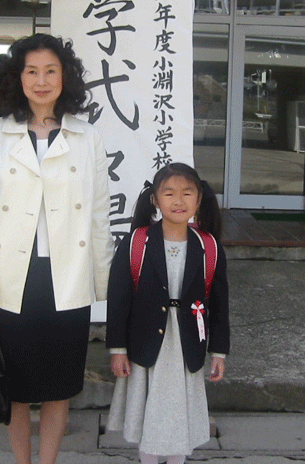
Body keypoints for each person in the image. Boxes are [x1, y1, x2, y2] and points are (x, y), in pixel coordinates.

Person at [0, 33, 114, 464]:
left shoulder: (86, 136)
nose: (42, 81)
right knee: (12, 383)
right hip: (12, 278)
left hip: (68, 276)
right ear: (18, 77)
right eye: (32, 71)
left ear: (65, 77)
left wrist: (105, 285)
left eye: (51, 71)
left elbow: (99, 216)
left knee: (58, 385)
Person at [106, 163, 230, 464]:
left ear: (198, 200)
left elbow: (219, 304)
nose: (178, 201)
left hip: (186, 345)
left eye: (187, 193)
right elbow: (119, 299)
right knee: (148, 414)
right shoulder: (137, 242)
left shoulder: (208, 246)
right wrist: (117, 349)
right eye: (169, 193)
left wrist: (219, 352)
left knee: (180, 415)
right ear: (155, 200)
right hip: (146, 344)